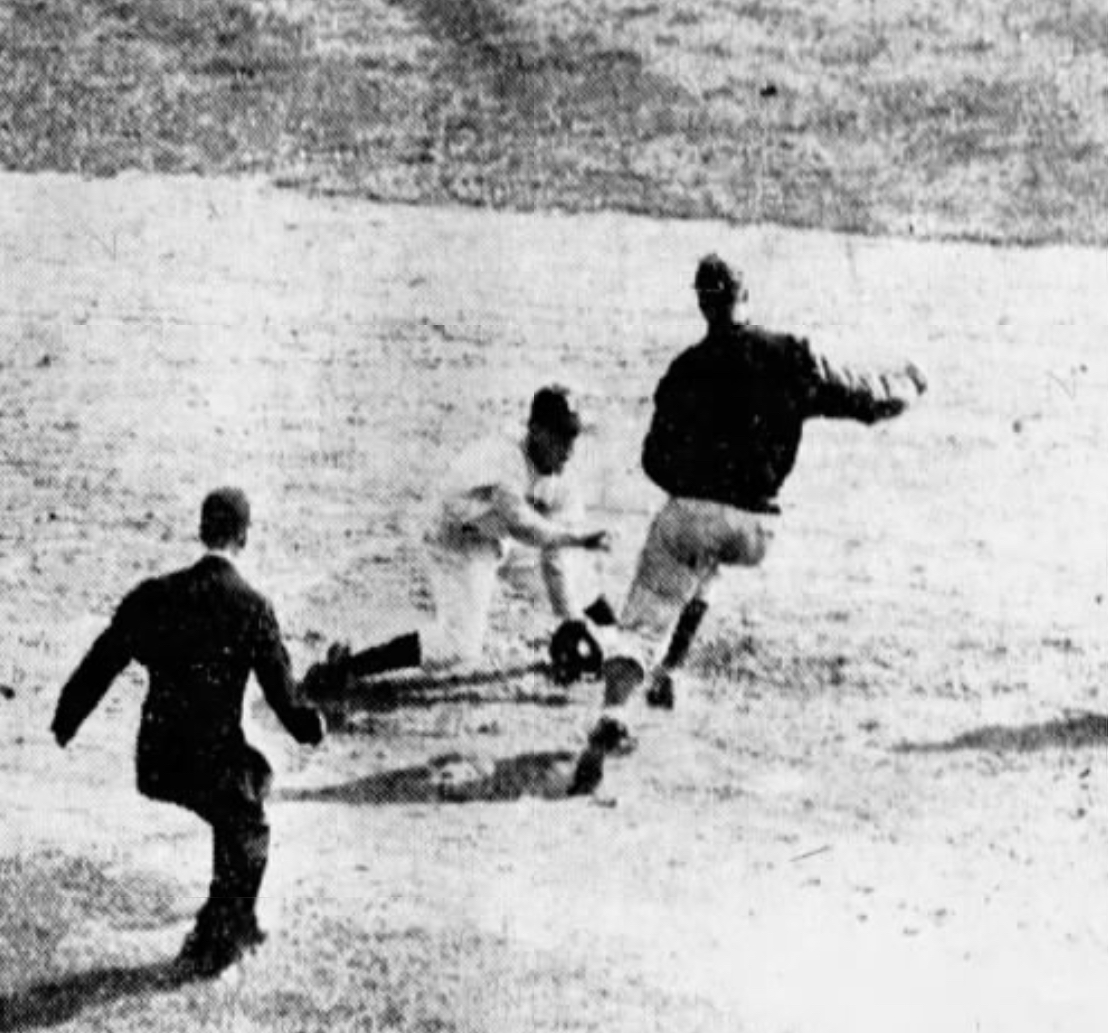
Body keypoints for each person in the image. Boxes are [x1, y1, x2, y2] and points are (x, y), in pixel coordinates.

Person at [574, 252, 926, 787]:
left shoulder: (684, 369)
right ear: (746, 296)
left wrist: (695, 488)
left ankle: (617, 711)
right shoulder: (790, 355)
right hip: (757, 530)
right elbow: (866, 400)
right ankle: (670, 672)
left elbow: (652, 460)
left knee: (652, 603)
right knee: (706, 559)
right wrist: (909, 384)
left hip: (692, 512)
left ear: (701, 304)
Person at [51, 488, 326, 978]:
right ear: (244, 536)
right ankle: (219, 938)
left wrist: (66, 720)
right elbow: (284, 696)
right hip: (213, 760)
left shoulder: (154, 595)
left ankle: (230, 919)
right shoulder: (252, 607)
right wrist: (312, 728)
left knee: (243, 796)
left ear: (202, 531)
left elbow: (103, 660)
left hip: (158, 761)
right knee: (249, 820)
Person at [303, 384, 615, 695]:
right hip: (455, 540)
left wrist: (570, 619)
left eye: (573, 435)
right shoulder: (505, 458)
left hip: (498, 537)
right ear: (534, 429)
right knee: (459, 645)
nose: (568, 449)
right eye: (559, 436)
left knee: (577, 578)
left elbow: (553, 554)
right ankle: (349, 665)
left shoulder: (564, 480)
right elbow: (522, 525)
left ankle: (618, 643)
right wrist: (575, 539)